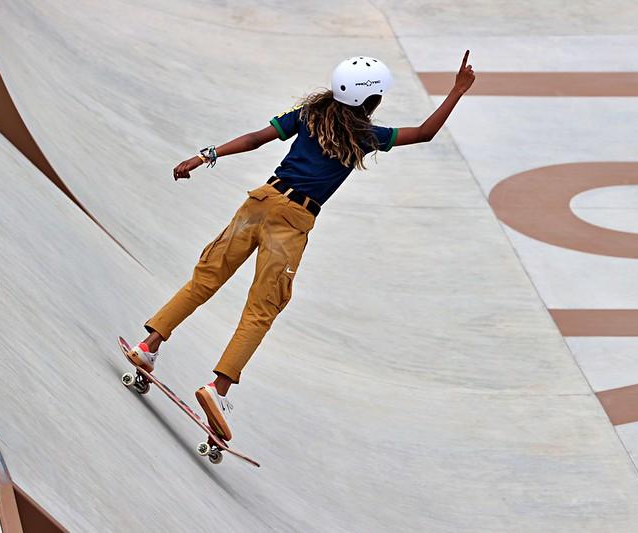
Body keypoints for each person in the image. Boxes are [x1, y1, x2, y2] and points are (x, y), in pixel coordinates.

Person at [125, 51, 476, 441]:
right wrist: (457, 91)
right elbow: (425, 132)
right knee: (261, 309)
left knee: (205, 279)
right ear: (370, 101)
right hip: (293, 222)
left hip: (259, 202)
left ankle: (148, 345)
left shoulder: (309, 114)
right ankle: (217, 389)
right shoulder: (366, 136)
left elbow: (256, 139)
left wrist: (204, 155)